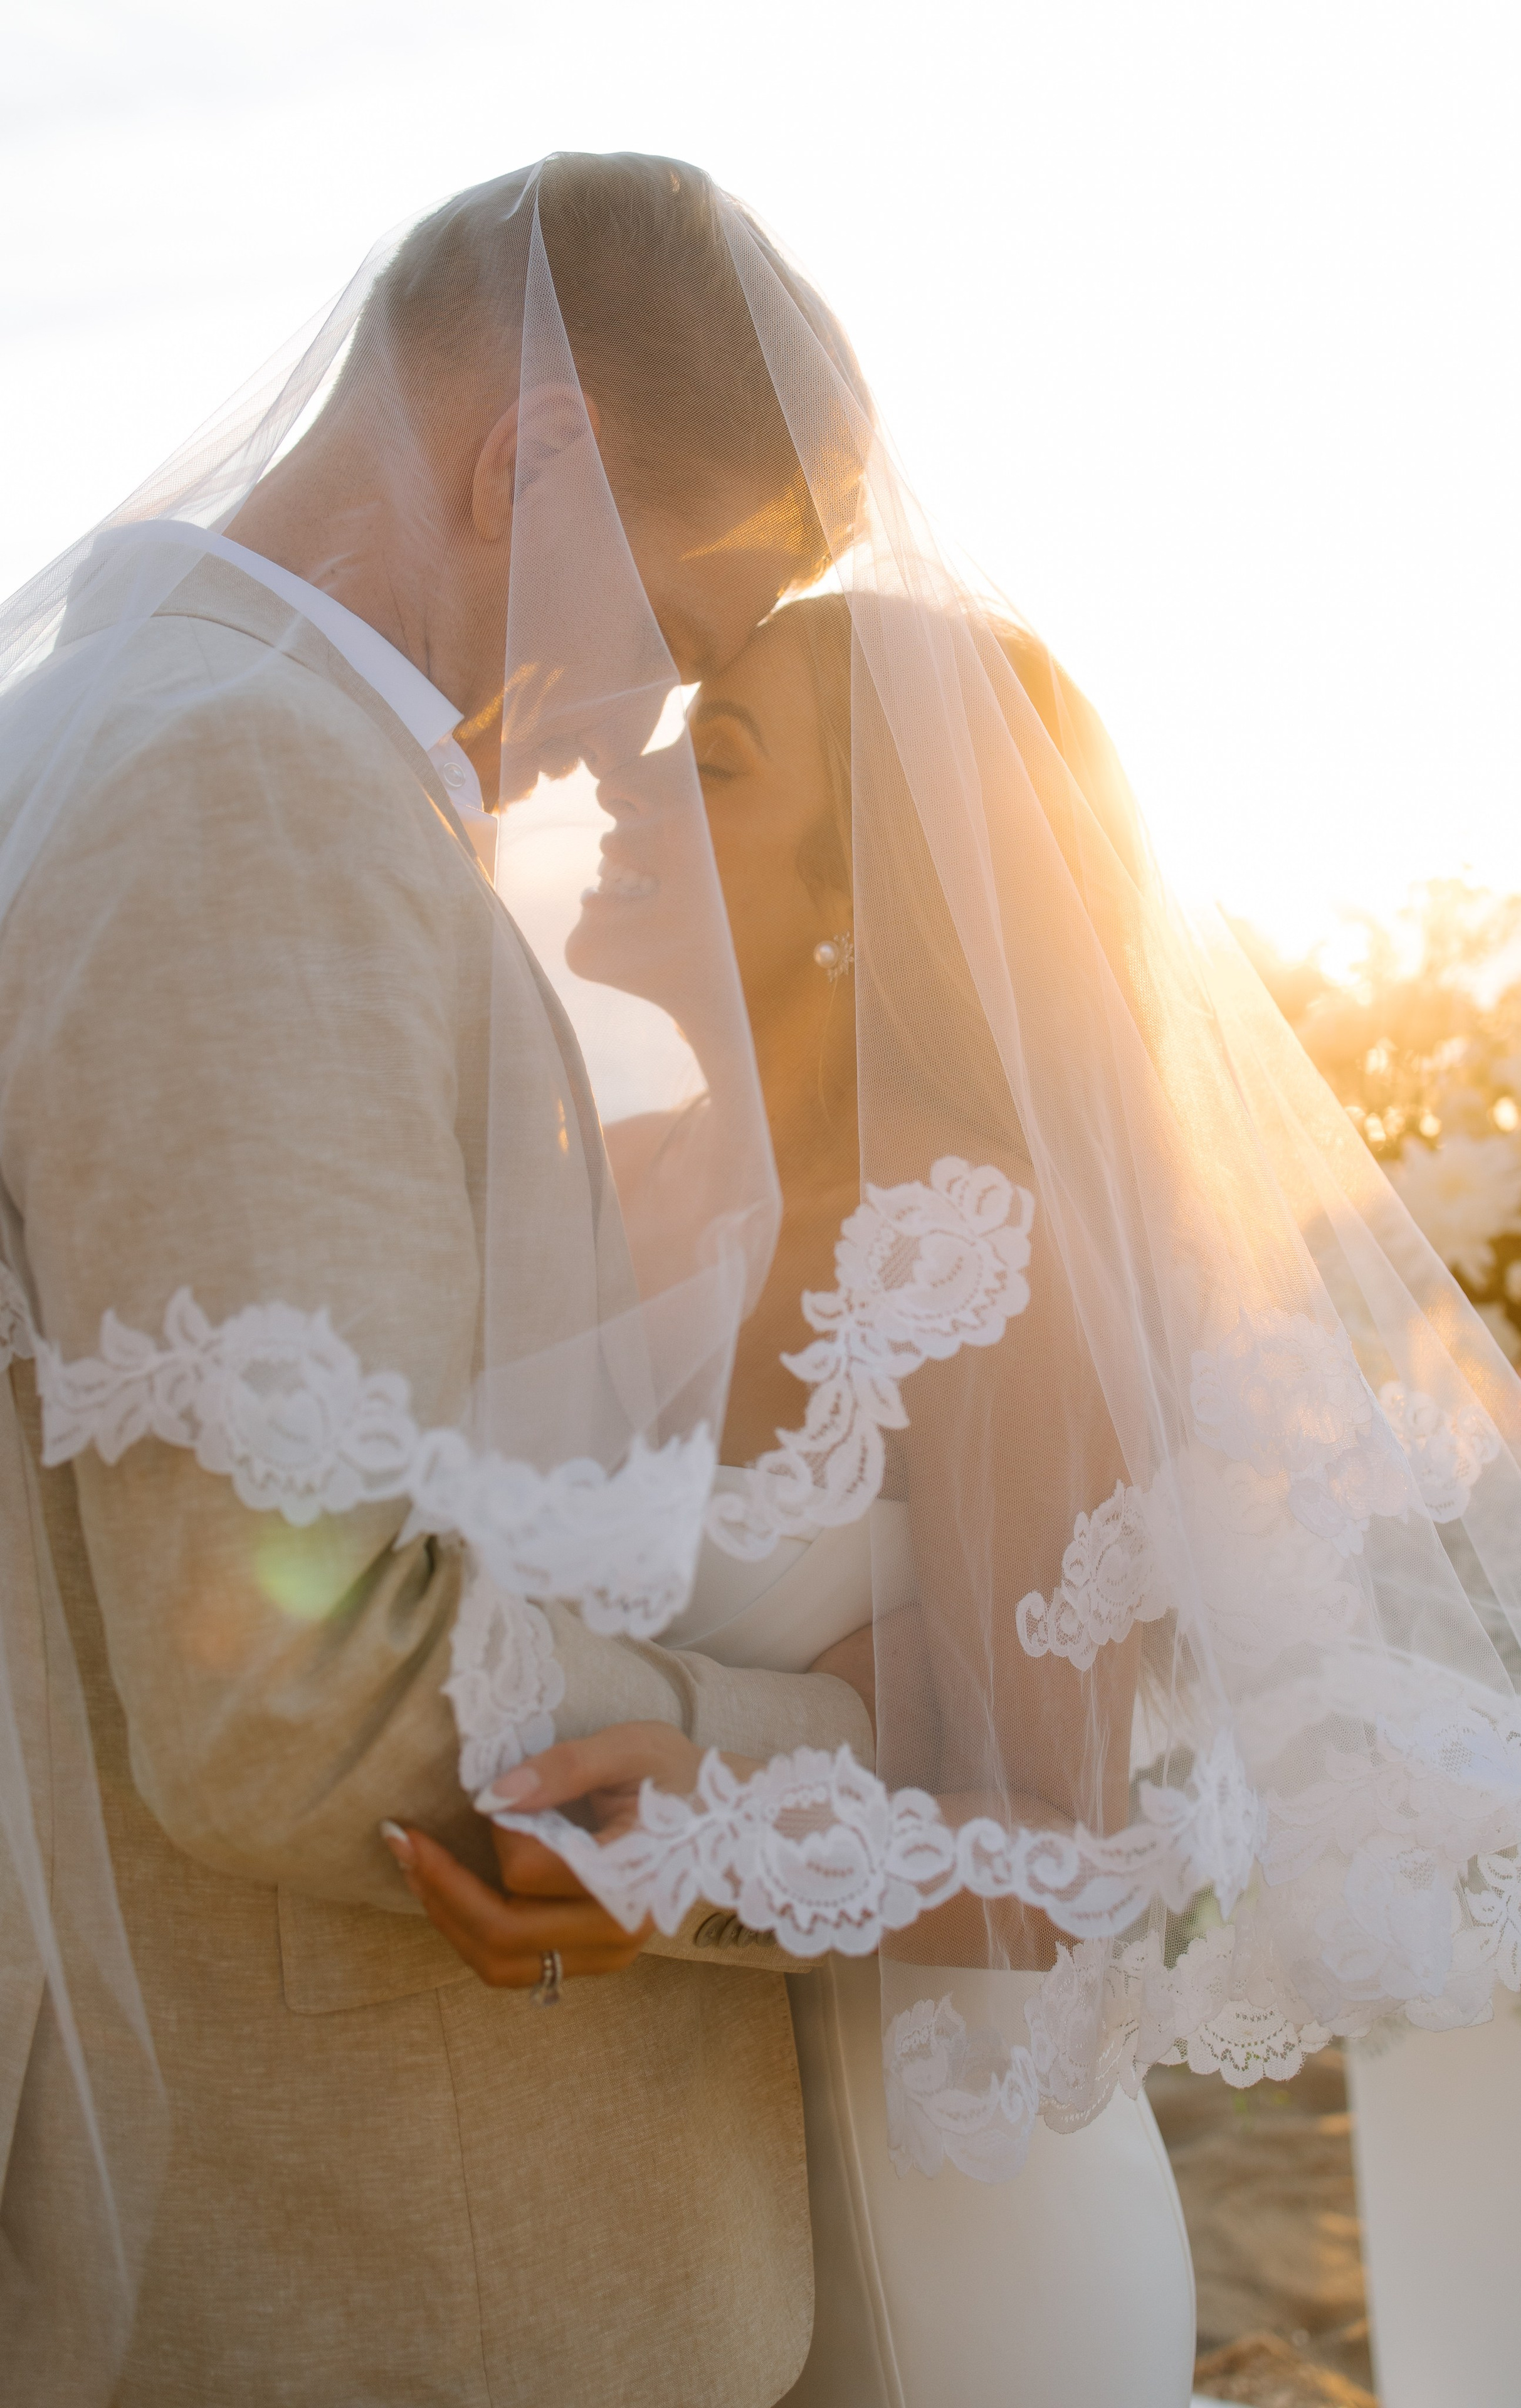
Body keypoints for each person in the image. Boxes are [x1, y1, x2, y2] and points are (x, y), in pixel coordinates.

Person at [399, 182, 1521, 2408]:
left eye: (725, 760)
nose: (642, 788)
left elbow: (1080, 1849)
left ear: (876, 898)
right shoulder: (630, 1175)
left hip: (942, 2252)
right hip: (666, 2211)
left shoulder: (986, 1245)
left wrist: (706, 1841)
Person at [0, 157, 880, 2408]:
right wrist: (834, 1760)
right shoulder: (247, 794)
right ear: (539, 462)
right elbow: (285, 1691)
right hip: (448, 2273)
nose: (639, 737)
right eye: (678, 631)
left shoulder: (129, 734)